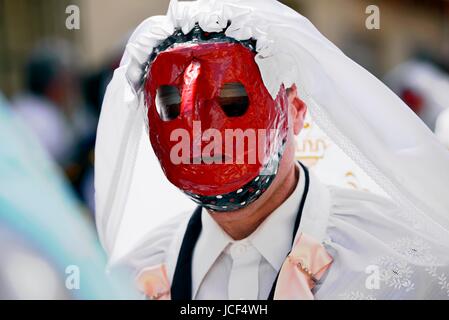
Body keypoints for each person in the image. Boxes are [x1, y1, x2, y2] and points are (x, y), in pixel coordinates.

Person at [95, 0, 449, 300]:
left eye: (232, 99)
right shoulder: (130, 280)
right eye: (170, 104)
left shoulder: (404, 265)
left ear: (295, 109)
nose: (200, 131)